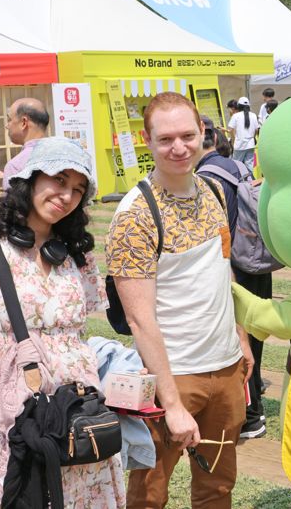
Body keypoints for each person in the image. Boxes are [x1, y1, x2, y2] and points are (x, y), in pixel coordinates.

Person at [0, 136, 126, 506]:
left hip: (75, 416)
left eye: (78, 189)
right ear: (31, 179)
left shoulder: (78, 257)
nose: (67, 195)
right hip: (14, 416)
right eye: (59, 180)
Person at [106, 92, 253, 509]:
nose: (179, 147)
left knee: (218, 488)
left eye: (188, 135)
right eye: (166, 138)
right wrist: (171, 404)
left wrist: (239, 338)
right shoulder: (135, 214)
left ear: (203, 133)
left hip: (224, 370)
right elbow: (139, 320)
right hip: (171, 377)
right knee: (149, 495)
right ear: (146, 140)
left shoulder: (213, 192)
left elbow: (222, 274)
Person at [196, 116, 271, 440]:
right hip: (256, 263)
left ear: (201, 137)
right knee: (253, 338)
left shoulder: (205, 179)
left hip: (234, 270)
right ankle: (255, 408)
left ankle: (250, 416)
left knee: (236, 341)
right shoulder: (236, 167)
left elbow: (216, 234)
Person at [2, 98, 49, 189]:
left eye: (9, 120)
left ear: (24, 122)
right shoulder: (65, 155)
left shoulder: (15, 166)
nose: (7, 126)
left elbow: (11, 203)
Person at [227, 96, 259, 172]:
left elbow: (230, 129)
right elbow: (256, 129)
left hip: (239, 145)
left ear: (239, 106)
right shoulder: (253, 115)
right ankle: (250, 182)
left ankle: (237, 182)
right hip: (250, 144)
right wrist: (252, 137)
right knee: (249, 165)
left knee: (236, 165)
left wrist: (233, 140)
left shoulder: (236, 116)